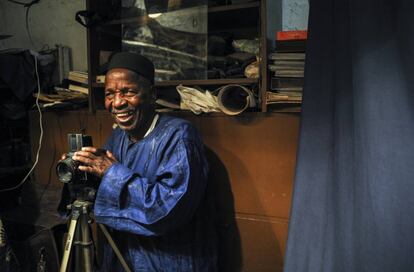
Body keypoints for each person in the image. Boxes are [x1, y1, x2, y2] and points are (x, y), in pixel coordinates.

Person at [69, 52, 217, 271]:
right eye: (110, 94)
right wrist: (84, 169)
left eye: (128, 92)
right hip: (123, 257)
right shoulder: (118, 136)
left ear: (151, 94)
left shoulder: (180, 137)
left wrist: (111, 172)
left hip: (167, 261)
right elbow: (105, 194)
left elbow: (168, 210)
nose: (117, 103)